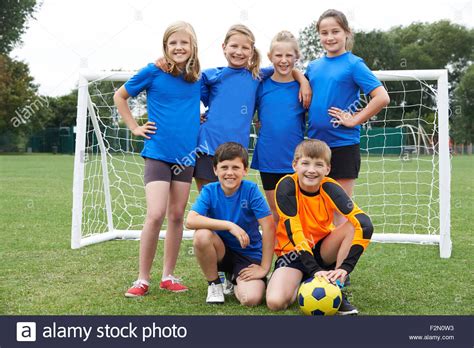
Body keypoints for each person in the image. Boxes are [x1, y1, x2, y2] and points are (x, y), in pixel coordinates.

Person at [113, 21, 201, 297]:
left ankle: (168, 276)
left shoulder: (197, 77)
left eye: (183, 42)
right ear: (165, 47)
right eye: (172, 43)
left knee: (176, 216)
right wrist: (135, 128)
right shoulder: (153, 71)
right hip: (158, 153)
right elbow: (120, 96)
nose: (178, 47)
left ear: (192, 46)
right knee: (155, 214)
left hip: (186, 156)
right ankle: (142, 279)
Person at [265, 139, 374, 315]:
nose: (311, 170)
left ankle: (337, 285)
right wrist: (314, 269)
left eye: (318, 165)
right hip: (293, 253)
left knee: (354, 225)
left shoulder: (330, 187)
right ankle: (305, 278)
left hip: (323, 249)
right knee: (275, 302)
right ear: (295, 165)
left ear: (327, 169)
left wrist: (345, 268)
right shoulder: (286, 186)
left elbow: (364, 223)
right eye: (305, 163)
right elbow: (295, 231)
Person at [305, 9, 390, 224]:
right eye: (324, 33)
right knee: (316, 209)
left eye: (335, 31)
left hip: (343, 145)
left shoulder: (354, 64)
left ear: (347, 33)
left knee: (339, 210)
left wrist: (354, 119)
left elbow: (381, 97)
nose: (330, 37)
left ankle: (342, 258)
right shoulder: (313, 67)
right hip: (315, 147)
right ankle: (320, 258)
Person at [185, 142, 275, 305]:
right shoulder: (210, 190)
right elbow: (191, 220)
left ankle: (234, 278)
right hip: (221, 251)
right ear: (215, 170)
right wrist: (229, 225)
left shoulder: (251, 190)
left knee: (251, 299)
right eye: (224, 167)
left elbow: (269, 227)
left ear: (245, 170)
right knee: (202, 234)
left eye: (235, 167)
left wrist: (264, 267)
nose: (229, 173)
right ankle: (214, 284)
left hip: (248, 255)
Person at [250, 31, 306, 224]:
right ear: (270, 57)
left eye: (289, 55)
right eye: (279, 55)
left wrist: (303, 81)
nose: (284, 60)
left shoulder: (305, 86)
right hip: (269, 157)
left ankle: (300, 253)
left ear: (296, 57)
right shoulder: (260, 84)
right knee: (276, 214)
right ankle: (279, 253)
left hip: (296, 160)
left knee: (295, 212)